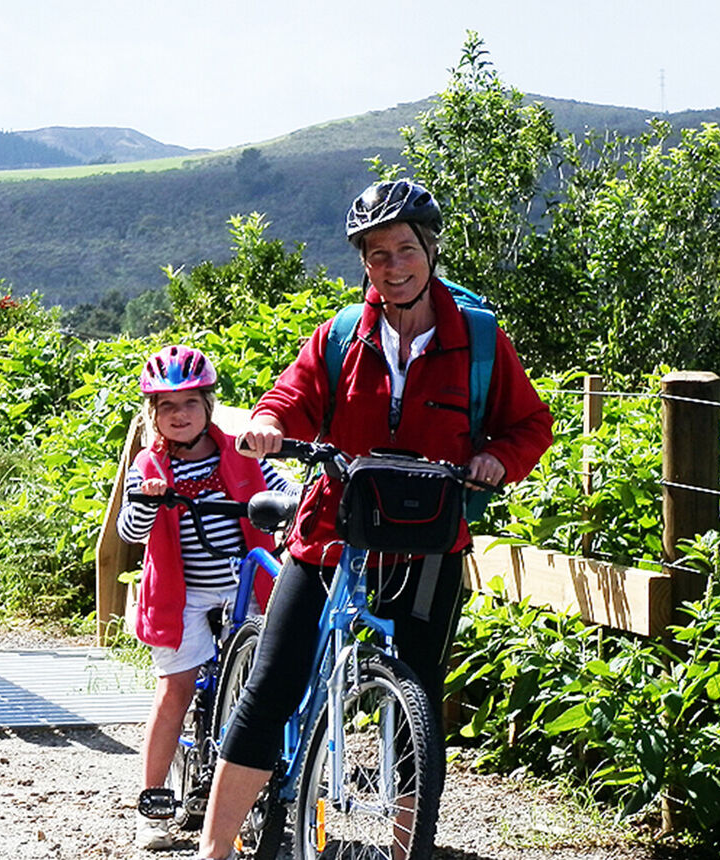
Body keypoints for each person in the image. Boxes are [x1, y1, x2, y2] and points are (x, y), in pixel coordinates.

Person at [192, 179, 554, 860]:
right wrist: (268, 424)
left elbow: (531, 423)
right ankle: (213, 851)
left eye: (405, 249)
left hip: (428, 544)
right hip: (331, 535)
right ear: (364, 263)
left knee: (417, 703)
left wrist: (499, 459)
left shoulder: (478, 340)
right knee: (271, 687)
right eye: (378, 254)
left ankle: (405, 850)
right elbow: (290, 398)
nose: (394, 266)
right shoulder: (339, 338)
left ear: (431, 250)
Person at [117, 344, 296, 851]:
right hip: (183, 595)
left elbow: (283, 490)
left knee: (263, 682)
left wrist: (299, 504)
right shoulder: (150, 467)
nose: (180, 415)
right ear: (153, 415)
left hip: (244, 584)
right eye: (168, 407)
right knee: (176, 687)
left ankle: (251, 786)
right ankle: (153, 802)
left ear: (208, 407)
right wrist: (149, 500)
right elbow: (130, 531)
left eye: (190, 404)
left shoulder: (239, 454)